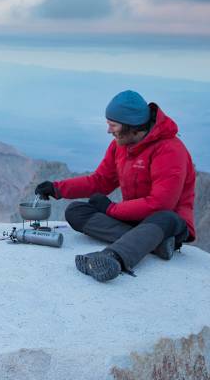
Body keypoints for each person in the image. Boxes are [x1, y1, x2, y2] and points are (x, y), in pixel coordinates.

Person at [35, 90, 196, 282]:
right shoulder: (120, 146)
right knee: (76, 211)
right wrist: (57, 188)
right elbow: (100, 181)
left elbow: (161, 204)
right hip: (136, 221)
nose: (108, 131)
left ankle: (113, 258)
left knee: (166, 217)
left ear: (131, 126)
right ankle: (156, 245)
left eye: (113, 125)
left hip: (166, 225)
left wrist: (111, 209)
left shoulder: (169, 150)